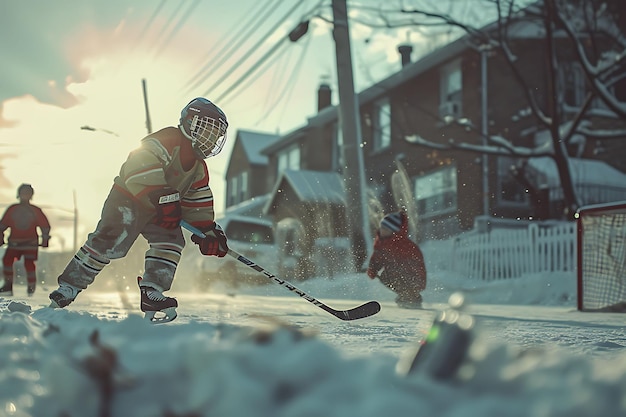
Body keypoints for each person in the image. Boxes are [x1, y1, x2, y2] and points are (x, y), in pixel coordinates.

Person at [48, 97, 230, 323]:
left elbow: (197, 200)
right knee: (111, 240)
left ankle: (152, 291)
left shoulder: (199, 169)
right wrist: (159, 194)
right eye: (205, 130)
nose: (209, 140)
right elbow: (140, 161)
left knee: (171, 241)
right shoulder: (167, 139)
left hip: (162, 208)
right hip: (128, 198)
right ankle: (69, 286)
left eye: (215, 136)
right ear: (189, 122)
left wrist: (207, 230)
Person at [366, 210, 427, 308]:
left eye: (385, 228)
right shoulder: (383, 243)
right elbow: (378, 257)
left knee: (394, 273)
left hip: (412, 276)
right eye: (381, 227)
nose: (382, 230)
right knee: (385, 275)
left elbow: (416, 266)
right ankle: (405, 295)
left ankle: (412, 297)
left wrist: (416, 285)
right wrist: (373, 268)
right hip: (397, 274)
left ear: (393, 231)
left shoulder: (405, 245)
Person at [0, 183, 51, 296]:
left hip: (30, 243)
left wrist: (45, 239)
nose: (25, 195)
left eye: (27, 193)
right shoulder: (12, 209)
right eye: (23, 193)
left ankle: (31, 286)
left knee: (29, 263)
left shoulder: (35, 210)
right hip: (14, 243)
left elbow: (45, 226)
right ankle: (8, 286)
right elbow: (2, 226)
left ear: (31, 195)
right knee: (7, 260)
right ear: (19, 194)